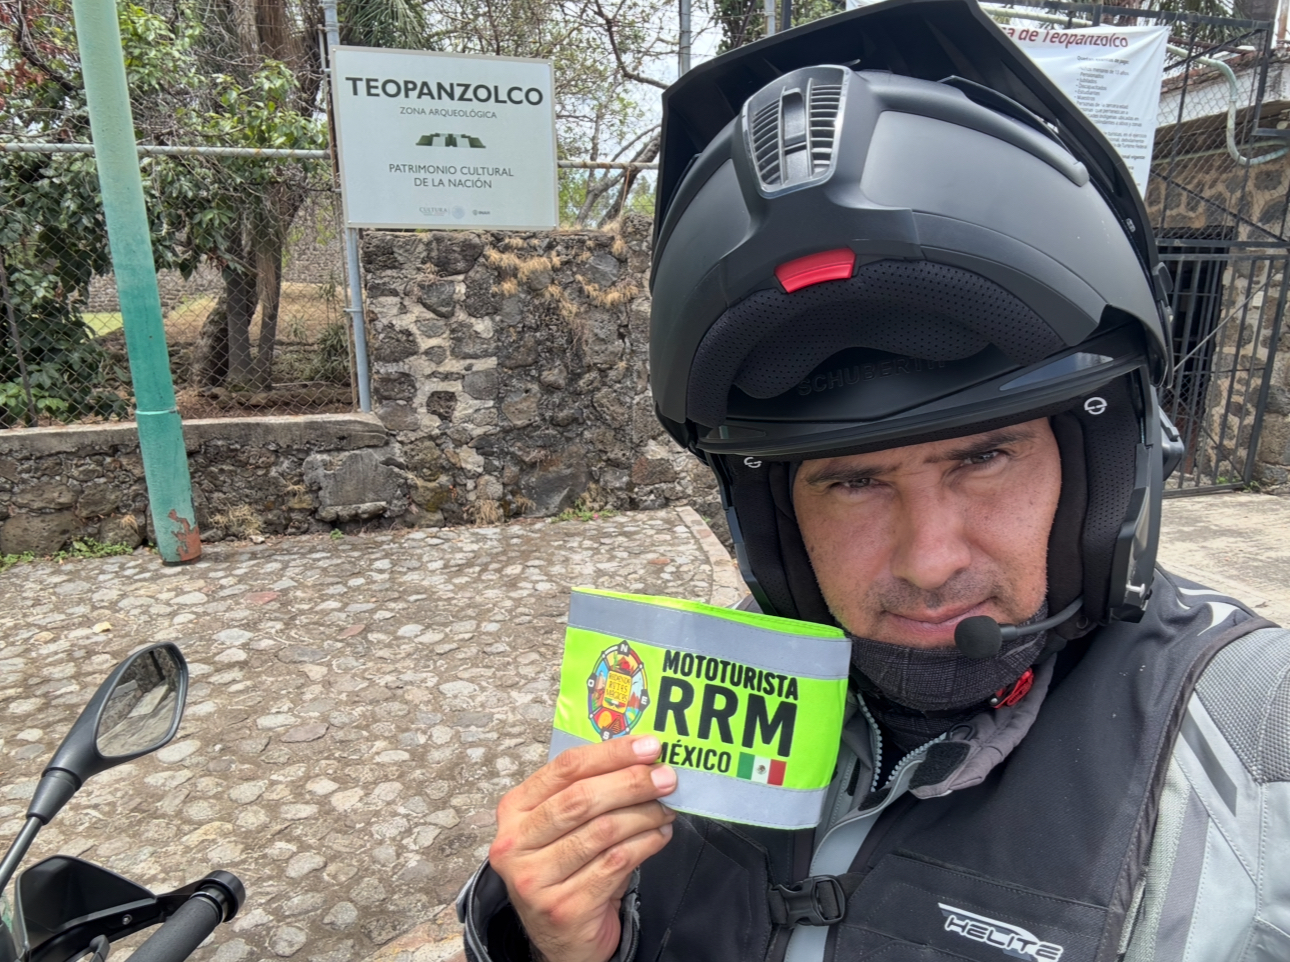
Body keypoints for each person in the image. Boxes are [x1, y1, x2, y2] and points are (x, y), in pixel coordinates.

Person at [456, 2, 1290, 960]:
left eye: (984, 457)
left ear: (1101, 462)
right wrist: (557, 944)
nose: (928, 562)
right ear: (774, 519)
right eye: (853, 483)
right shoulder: (694, 714)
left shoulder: (1256, 737)